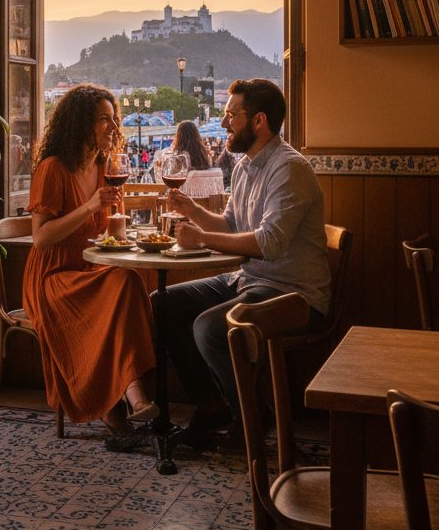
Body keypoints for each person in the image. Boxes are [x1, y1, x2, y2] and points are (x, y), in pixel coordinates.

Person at [152, 78, 330, 448]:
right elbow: (232, 226)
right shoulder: (247, 165)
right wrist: (193, 210)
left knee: (210, 328)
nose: (224, 122)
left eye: (232, 115)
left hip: (295, 294)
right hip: (250, 279)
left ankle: (252, 414)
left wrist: (200, 239)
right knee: (161, 304)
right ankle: (212, 405)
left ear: (259, 120)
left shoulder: (289, 168)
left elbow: (268, 244)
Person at [22, 83, 158, 438]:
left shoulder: (105, 168)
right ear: (81, 124)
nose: (114, 128)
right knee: (118, 289)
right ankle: (127, 397)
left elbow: (114, 231)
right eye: (104, 120)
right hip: (53, 277)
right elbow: (41, 238)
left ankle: (127, 398)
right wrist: (90, 206)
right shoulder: (53, 168)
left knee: (126, 282)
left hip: (91, 269)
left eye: (115, 119)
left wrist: (128, 230)